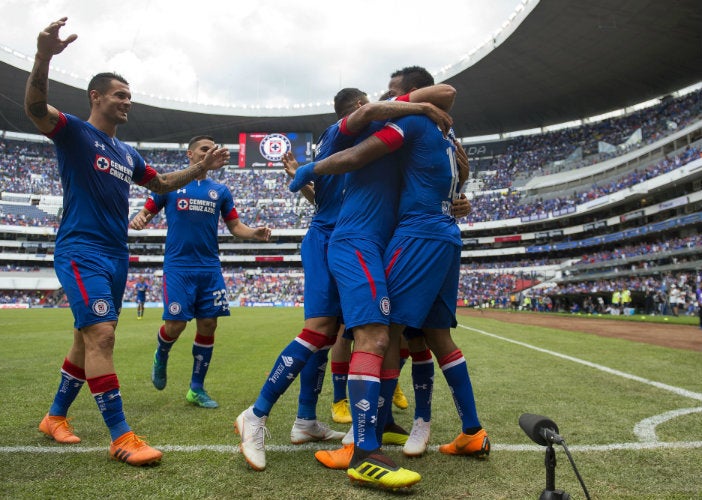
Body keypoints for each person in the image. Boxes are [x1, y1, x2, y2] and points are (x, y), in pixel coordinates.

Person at [26, 17, 229, 467]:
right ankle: (121, 436)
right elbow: (37, 107)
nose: (127, 102)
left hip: (117, 253)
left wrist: (199, 170)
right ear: (95, 96)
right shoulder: (76, 132)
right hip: (81, 249)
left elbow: (160, 184)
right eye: (120, 95)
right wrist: (43, 56)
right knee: (102, 334)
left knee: (85, 340)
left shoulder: (127, 153)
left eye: (130, 96)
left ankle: (55, 417)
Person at [235, 86, 453, 478]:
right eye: (371, 103)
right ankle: (265, 417)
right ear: (358, 107)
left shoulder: (384, 144)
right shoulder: (346, 131)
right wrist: (419, 105)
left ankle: (316, 423)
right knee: (332, 332)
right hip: (340, 238)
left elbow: (328, 193)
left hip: (355, 236)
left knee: (345, 333)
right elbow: (376, 117)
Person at [130, 135, 271, 409]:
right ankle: (162, 353)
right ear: (190, 155)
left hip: (209, 267)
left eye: (213, 149)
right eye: (204, 149)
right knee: (176, 325)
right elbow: (146, 212)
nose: (210, 153)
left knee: (209, 324)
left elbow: (235, 226)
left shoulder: (221, 190)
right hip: (178, 266)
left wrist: (253, 232)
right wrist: (140, 217)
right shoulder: (169, 185)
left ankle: (196, 388)